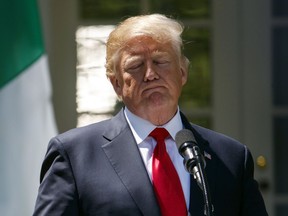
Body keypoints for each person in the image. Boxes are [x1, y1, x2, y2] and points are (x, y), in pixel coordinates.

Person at [33, 14, 268, 216]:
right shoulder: (75, 156)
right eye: (136, 65)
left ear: (182, 72)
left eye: (160, 61)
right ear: (116, 84)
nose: (150, 74)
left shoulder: (231, 157)